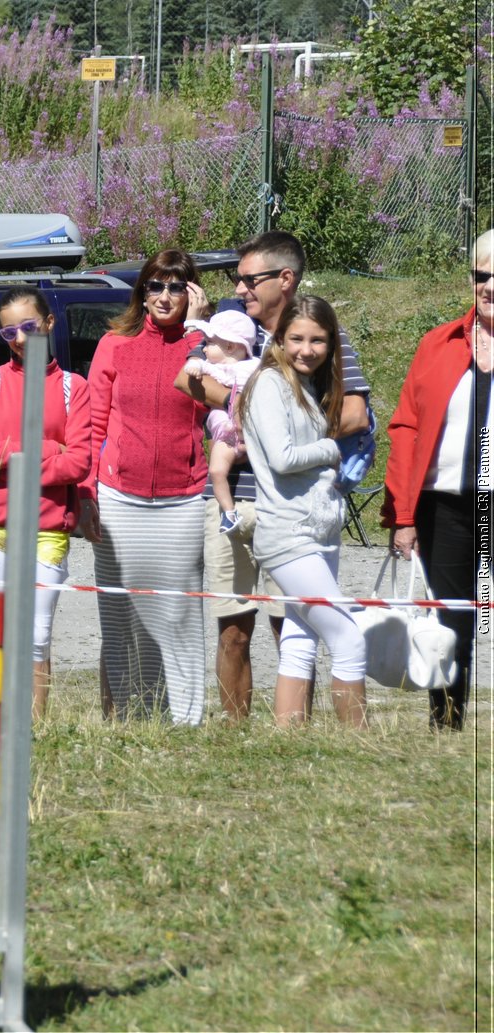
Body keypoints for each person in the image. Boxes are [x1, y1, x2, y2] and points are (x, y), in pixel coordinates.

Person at [174, 231, 373, 721]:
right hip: (234, 496)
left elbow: (356, 414)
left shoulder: (320, 329)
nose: (239, 289)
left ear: (285, 279)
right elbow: (186, 379)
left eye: (248, 279)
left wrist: (282, 417)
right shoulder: (230, 327)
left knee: (296, 628)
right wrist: (252, 410)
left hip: (300, 504)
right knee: (233, 628)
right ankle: (238, 733)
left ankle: (294, 733)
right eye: (237, 280)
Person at [79, 249, 210, 724]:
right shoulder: (115, 344)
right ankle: (133, 717)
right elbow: (93, 425)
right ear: (142, 292)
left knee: (178, 613)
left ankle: (186, 718)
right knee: (122, 615)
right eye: (155, 285)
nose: (164, 295)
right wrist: (87, 493)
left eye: (177, 286)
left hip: (184, 499)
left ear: (193, 292)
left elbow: (220, 400)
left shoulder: (210, 346)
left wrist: (199, 334)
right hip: (118, 497)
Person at [381, 228, 494, 731]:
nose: (488, 285)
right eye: (480, 275)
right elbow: (405, 427)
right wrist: (403, 515)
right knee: (451, 624)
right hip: (446, 506)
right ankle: (446, 722)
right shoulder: (439, 343)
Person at [238, 295, 366, 727]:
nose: (305, 349)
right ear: (280, 337)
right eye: (296, 338)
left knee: (300, 636)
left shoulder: (308, 384)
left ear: (331, 344)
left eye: (318, 340)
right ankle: (361, 741)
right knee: (347, 635)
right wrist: (334, 447)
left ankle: (287, 737)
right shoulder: (270, 383)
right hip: (289, 535)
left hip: (320, 530)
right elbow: (282, 457)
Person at [0, 286, 92, 717]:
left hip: (48, 528)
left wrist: (13, 454)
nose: (19, 339)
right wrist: (48, 449)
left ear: (49, 323)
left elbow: (79, 463)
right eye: (8, 333)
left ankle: (37, 726)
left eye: (28, 327)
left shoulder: (74, 388)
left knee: (36, 636)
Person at [181, 309, 259, 532]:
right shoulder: (212, 366)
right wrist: (195, 365)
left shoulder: (256, 366)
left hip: (255, 432)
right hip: (227, 435)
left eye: (209, 343)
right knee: (216, 471)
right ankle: (229, 512)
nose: (203, 349)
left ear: (231, 346)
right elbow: (194, 368)